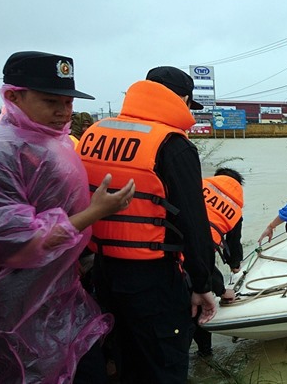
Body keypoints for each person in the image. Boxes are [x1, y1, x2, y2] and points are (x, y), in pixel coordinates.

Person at [0, 51, 136, 383]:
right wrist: (96, 212)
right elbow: (13, 241)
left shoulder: (55, 143)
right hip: (18, 305)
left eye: (68, 102)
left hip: (63, 294)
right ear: (13, 96)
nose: (64, 111)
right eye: (51, 101)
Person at [78, 66, 216, 383]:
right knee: (163, 364)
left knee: (125, 359)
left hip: (103, 270)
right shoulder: (171, 144)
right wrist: (202, 284)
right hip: (152, 277)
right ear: (182, 99)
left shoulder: (95, 133)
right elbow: (194, 222)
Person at [193, 167, 244, 357]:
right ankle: (205, 353)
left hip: (163, 255)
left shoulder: (195, 188)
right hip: (196, 261)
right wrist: (233, 268)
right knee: (198, 307)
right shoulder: (234, 208)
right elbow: (233, 242)